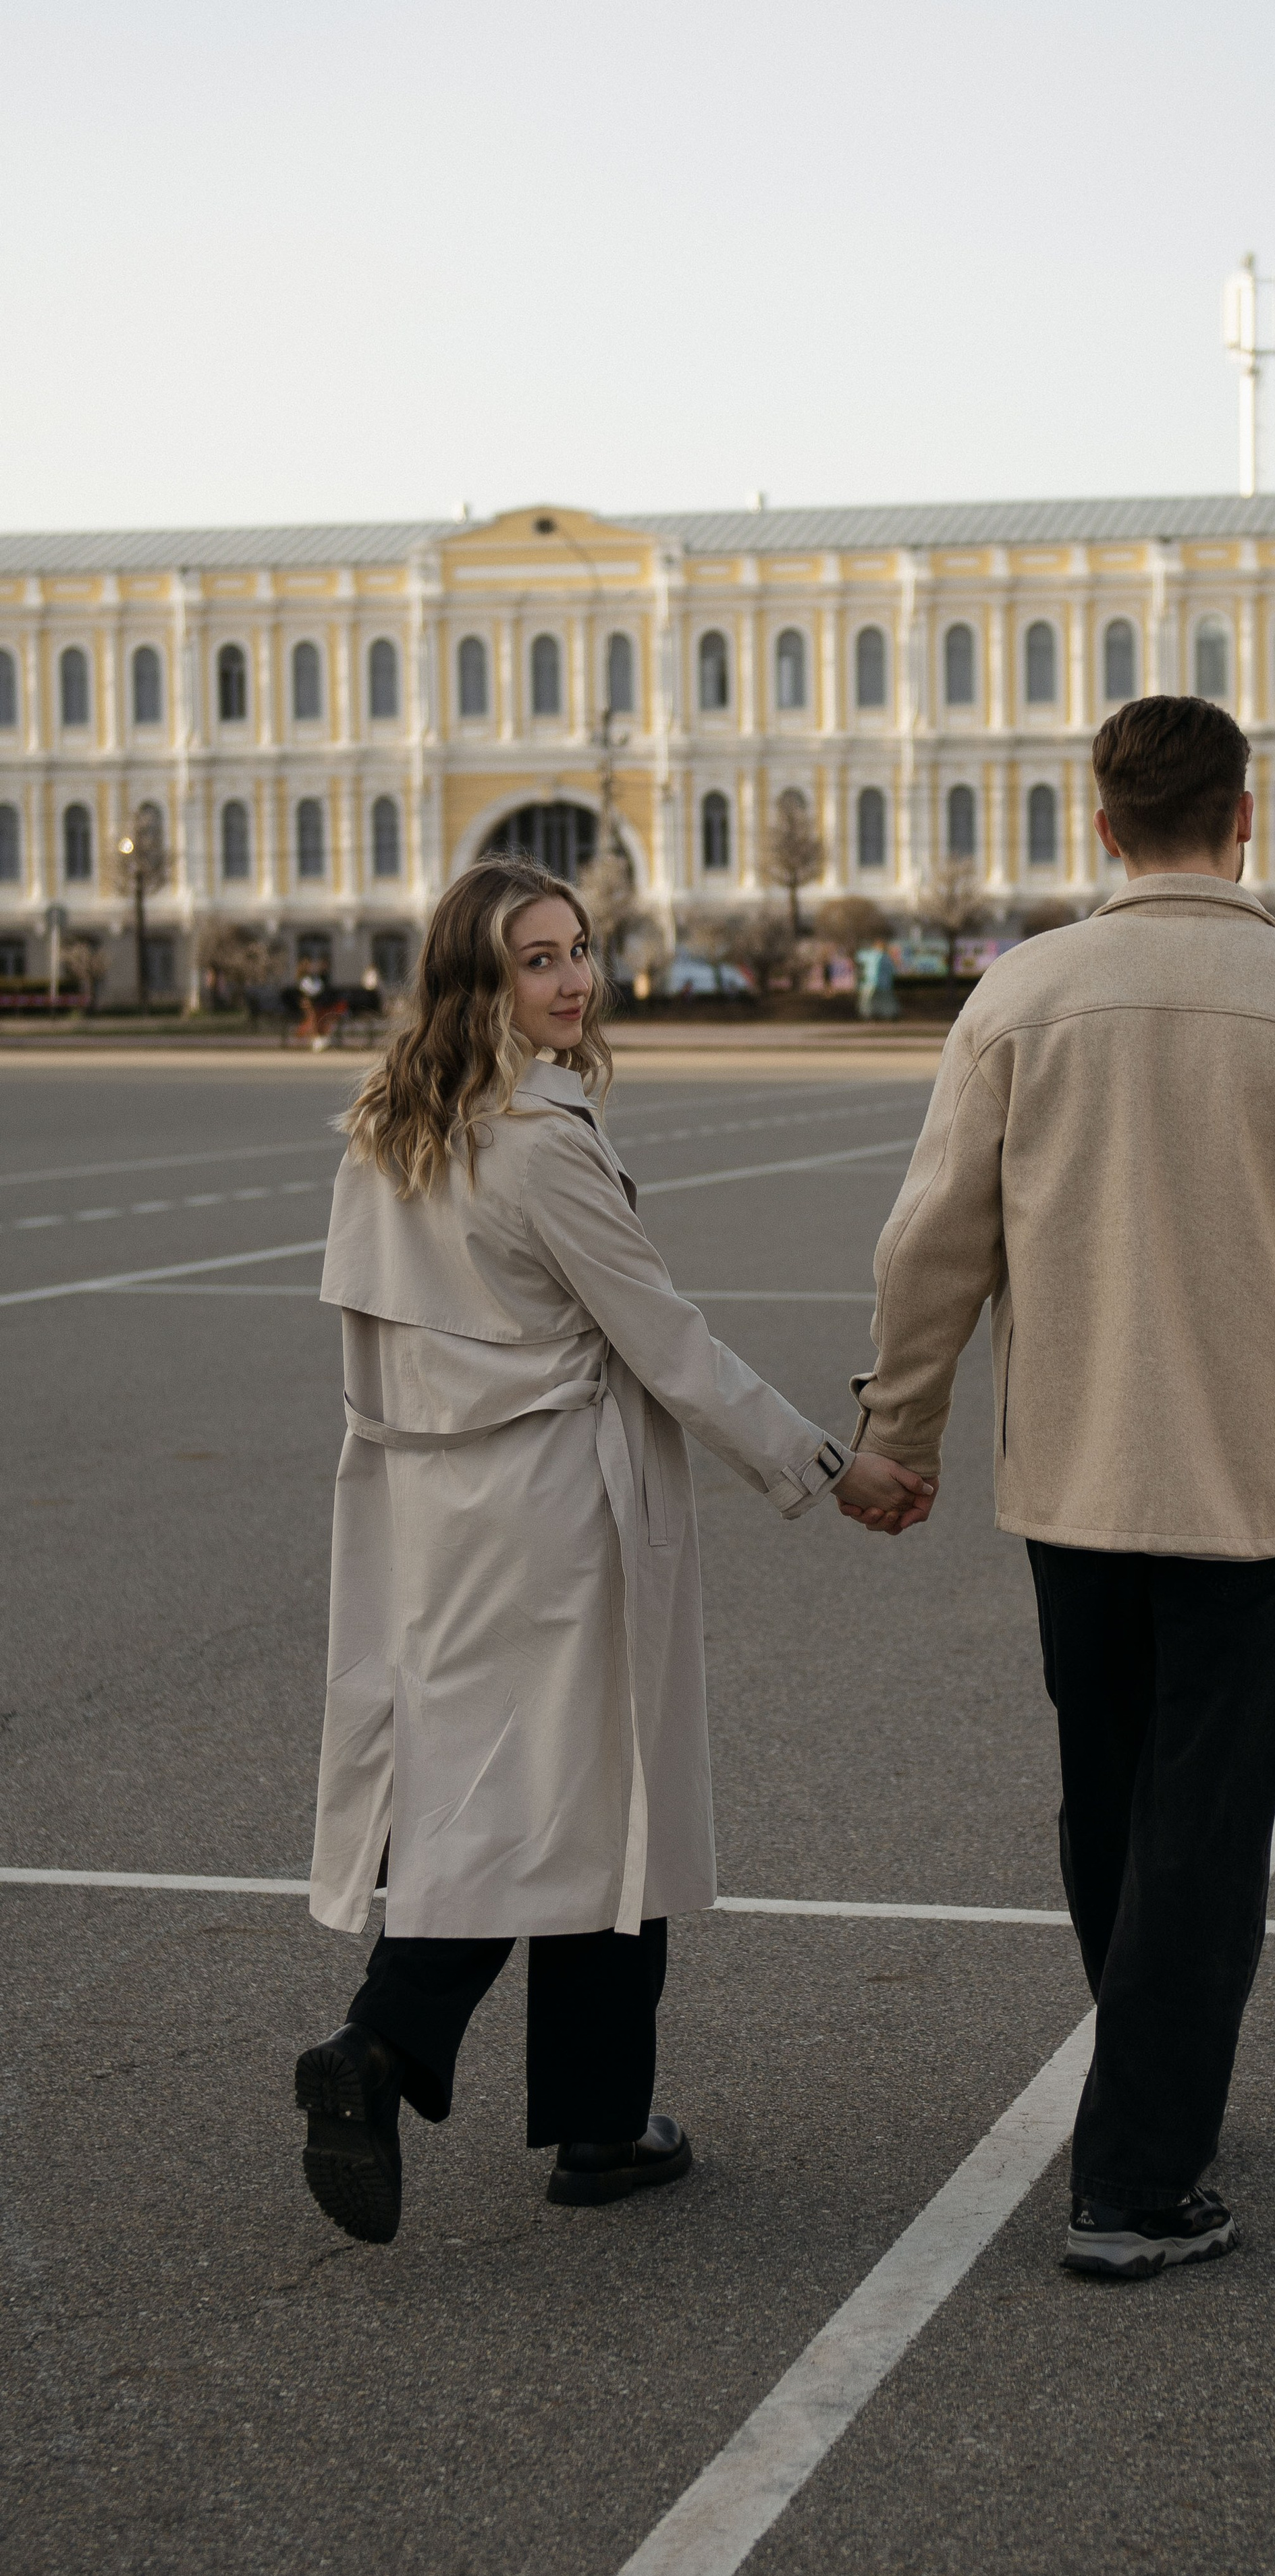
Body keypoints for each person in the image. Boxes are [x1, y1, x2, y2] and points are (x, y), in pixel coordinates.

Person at [845, 697, 1275, 2280]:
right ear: (1244, 818)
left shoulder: (1022, 997)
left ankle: (1148, 2074)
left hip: (1078, 1470)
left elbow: (931, 1248)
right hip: (1250, 1475)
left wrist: (898, 1430)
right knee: (1205, 1816)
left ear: (1097, 824)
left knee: (1107, 1792)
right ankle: (1133, 2174)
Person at [297, 853, 929, 2245]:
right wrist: (828, 1466)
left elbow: (370, 1345)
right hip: (556, 1516)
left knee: (500, 1795)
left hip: (438, 1512)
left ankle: (530, 2093)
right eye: (537, 957)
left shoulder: (389, 1129)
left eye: (579, 948)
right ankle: (432, 2064)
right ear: (479, 979)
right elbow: (668, 1345)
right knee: (598, 1802)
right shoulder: (539, 1142)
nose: (575, 976)